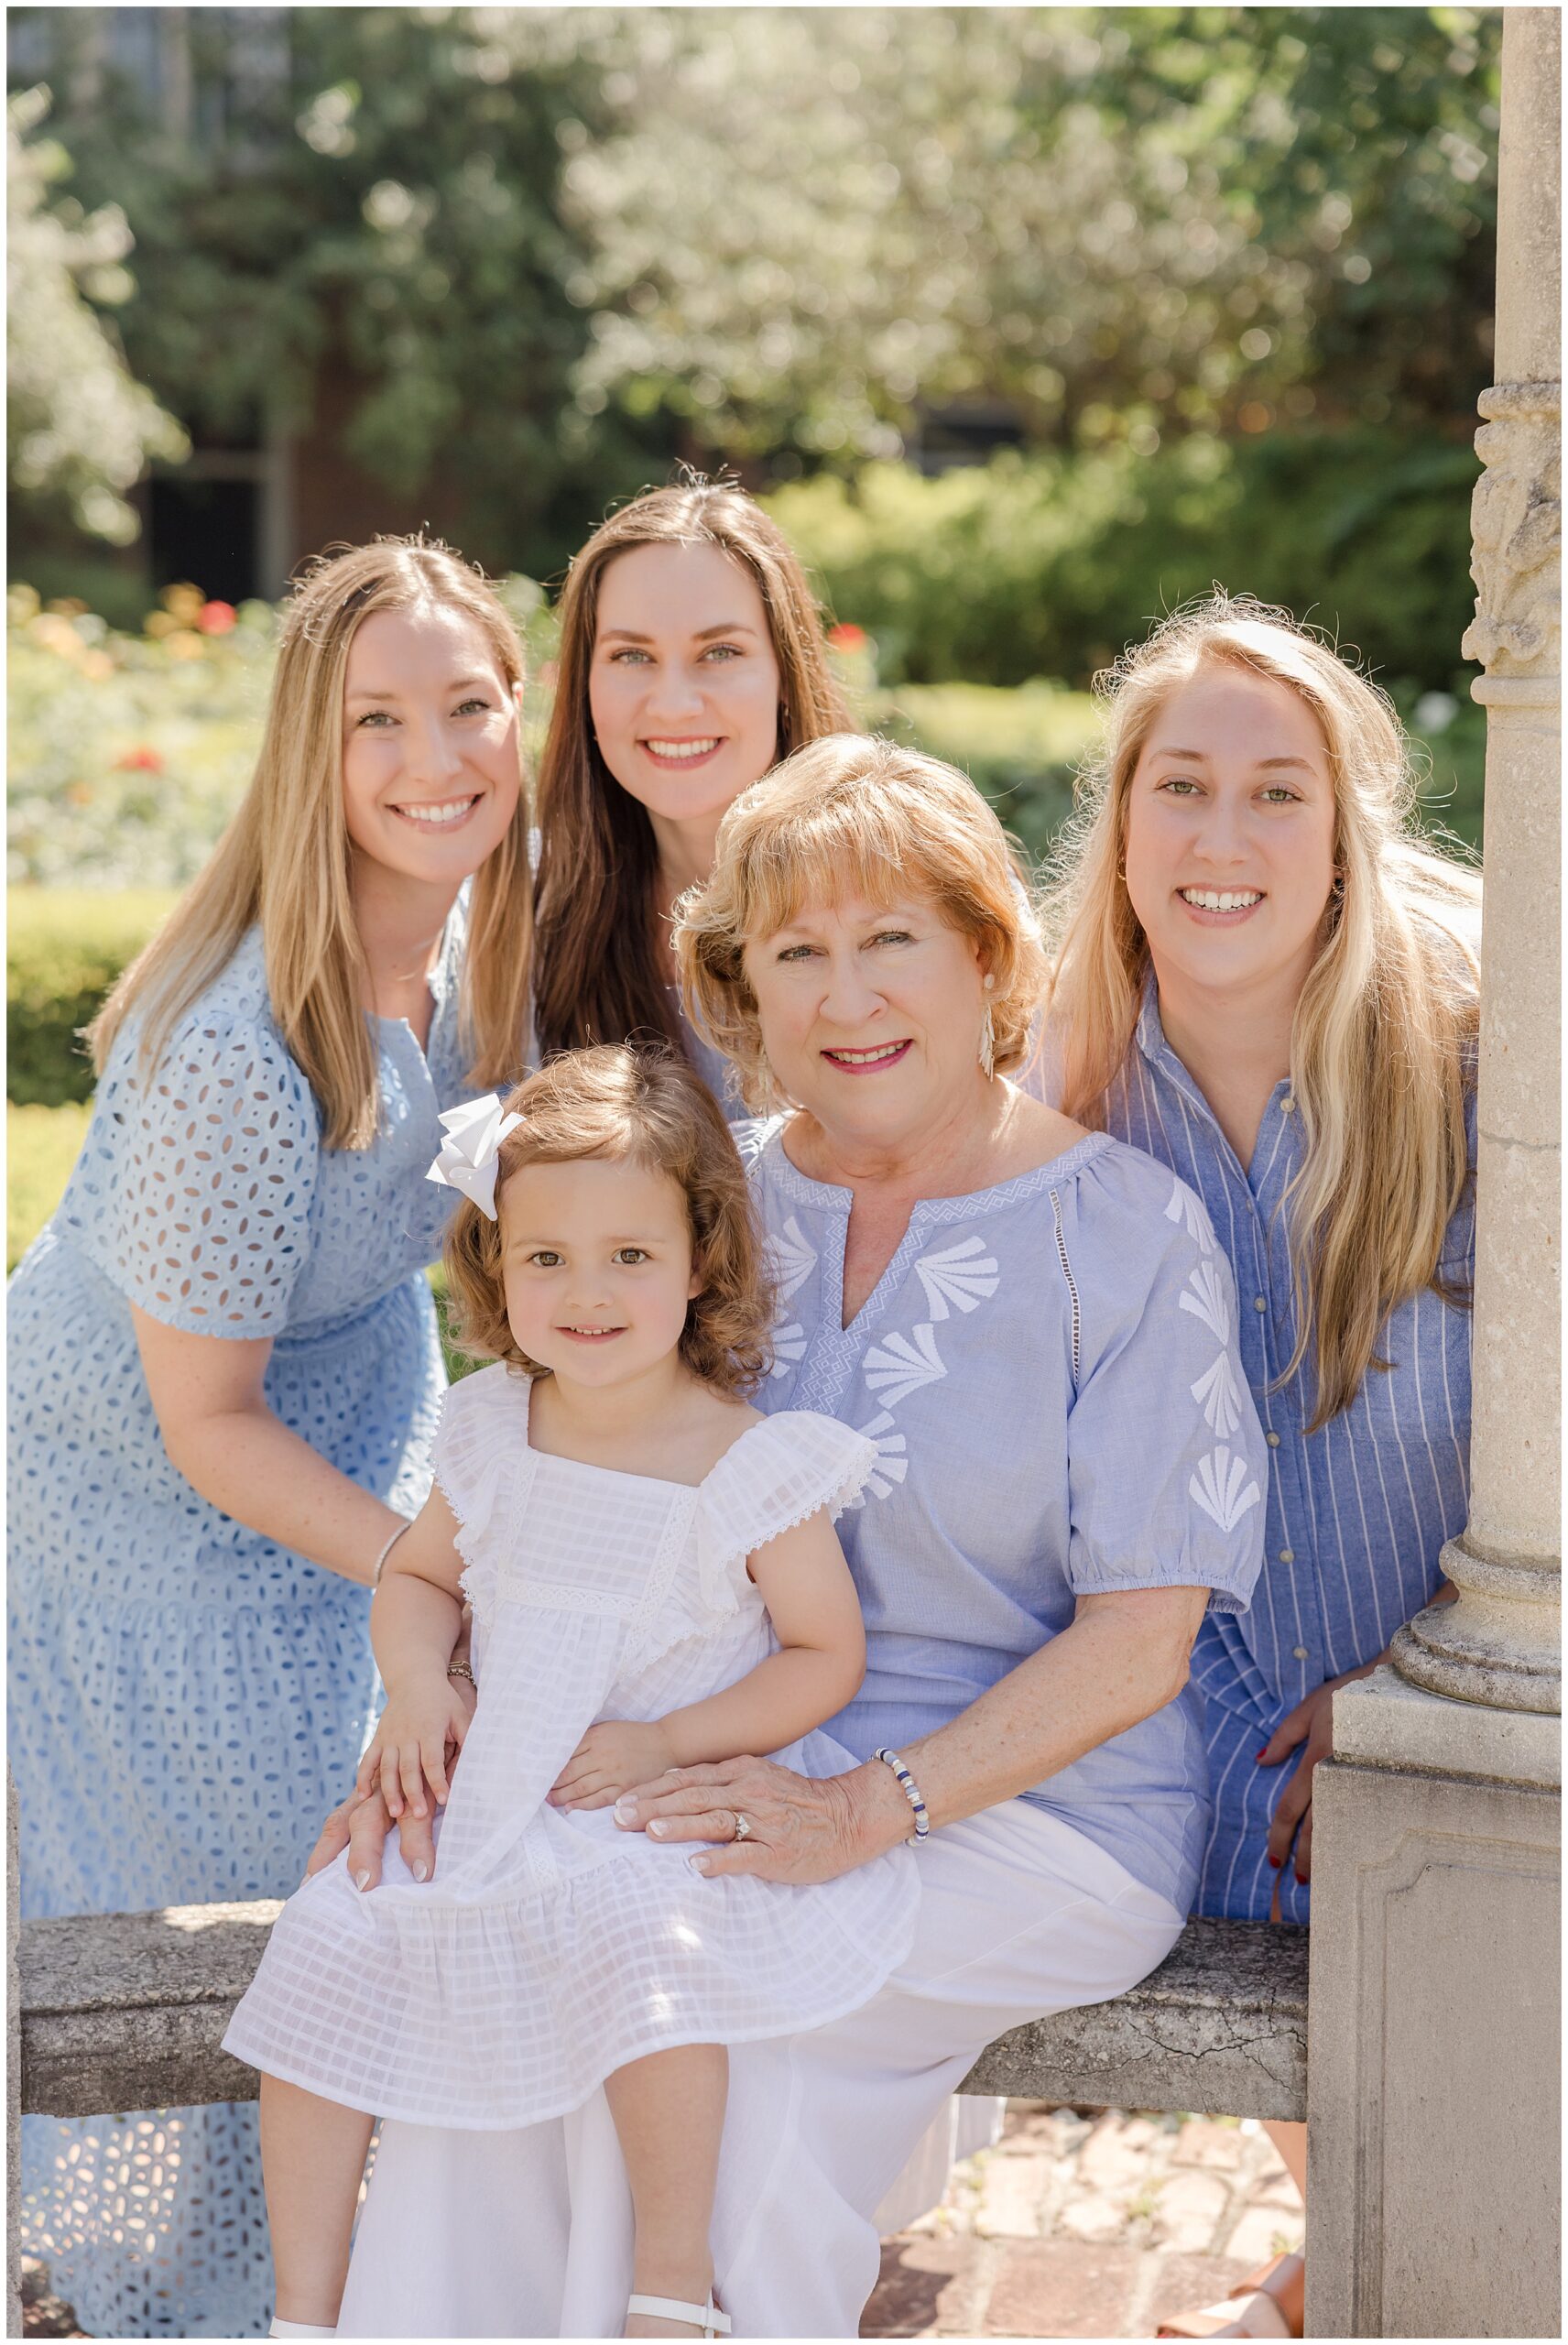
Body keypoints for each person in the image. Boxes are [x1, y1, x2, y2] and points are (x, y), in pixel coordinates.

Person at [313, 736, 1269, 2340]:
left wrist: (862, 1814)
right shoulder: (699, 1209)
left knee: (713, 2038)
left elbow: (1143, 1639)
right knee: (494, 1953)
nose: (848, 997)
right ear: (744, 992)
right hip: (702, 1769)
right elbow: (541, 1498)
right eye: (797, 954)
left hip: (1036, 1810)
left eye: (890, 938)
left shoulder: (1127, 1232)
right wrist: (446, 1727)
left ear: (984, 955)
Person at [8, 537, 534, 2338]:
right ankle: (197, 2292)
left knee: (380, 1826)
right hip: (130, 1484)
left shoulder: (474, 947)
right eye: (377, 718)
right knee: (254, 1886)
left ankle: (348, 2246)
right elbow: (198, 1413)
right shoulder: (244, 1034)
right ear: (309, 748)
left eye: (468, 703)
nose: (433, 753)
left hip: (335, 1415)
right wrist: (429, 1569)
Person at [223, 1046, 919, 2342]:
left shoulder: (747, 1462)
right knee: (330, 1933)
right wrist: (420, 1681)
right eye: (545, 1258)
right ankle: (304, 2314)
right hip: (495, 1782)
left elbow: (825, 1656)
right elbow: (418, 1579)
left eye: (629, 1258)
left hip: (639, 1797)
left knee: (647, 1952)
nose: (586, 1293)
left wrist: (668, 1740)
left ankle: (669, 2286)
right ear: (496, 1269)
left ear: (700, 1259)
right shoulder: (495, 1426)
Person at [1042, 594, 1479, 2340]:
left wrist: (1407, 1688)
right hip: (1206, 1681)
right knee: (1238, 1849)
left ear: (1345, 830)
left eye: (1277, 793)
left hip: (1467, 1657)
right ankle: (1350, 2269)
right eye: (1181, 787)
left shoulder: (1473, 1060)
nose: (1220, 839)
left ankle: (1368, 2283)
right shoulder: (1066, 1087)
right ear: (1123, 818)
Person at [529, 475, 855, 1106]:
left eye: (720, 652)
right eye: (631, 656)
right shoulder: (530, 911)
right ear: (584, 683)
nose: (674, 704)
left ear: (786, 673)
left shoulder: (910, 883)